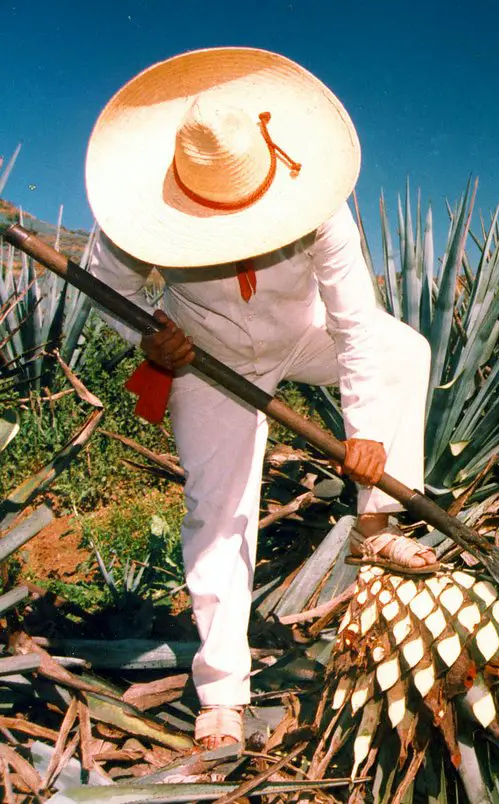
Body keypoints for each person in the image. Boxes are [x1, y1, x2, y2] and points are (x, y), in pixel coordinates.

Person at [83, 46, 435, 751]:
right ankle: (222, 695)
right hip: (205, 359)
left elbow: (354, 323)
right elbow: (105, 286)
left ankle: (376, 528)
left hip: (298, 338)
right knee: (219, 512)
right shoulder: (140, 214)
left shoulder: (318, 206)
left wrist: (365, 431)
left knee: (404, 350)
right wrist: (152, 339)